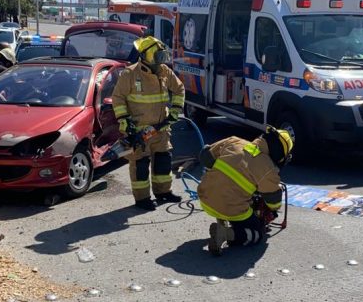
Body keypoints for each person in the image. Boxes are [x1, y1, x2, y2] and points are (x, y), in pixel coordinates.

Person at [111, 36, 185, 211]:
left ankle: (163, 192)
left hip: (161, 129)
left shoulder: (164, 71)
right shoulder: (130, 74)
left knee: (163, 161)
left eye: (162, 56)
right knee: (140, 166)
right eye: (157, 56)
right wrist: (124, 120)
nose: (161, 61)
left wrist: (175, 110)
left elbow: (179, 89)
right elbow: (118, 98)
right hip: (139, 130)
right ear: (146, 56)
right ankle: (142, 198)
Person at [198, 127, 293, 256]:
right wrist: (268, 212)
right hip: (230, 208)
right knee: (256, 235)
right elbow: (273, 202)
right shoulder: (268, 169)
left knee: (229, 189)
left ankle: (222, 221)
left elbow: (204, 156)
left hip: (205, 198)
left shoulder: (234, 141)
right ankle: (226, 234)